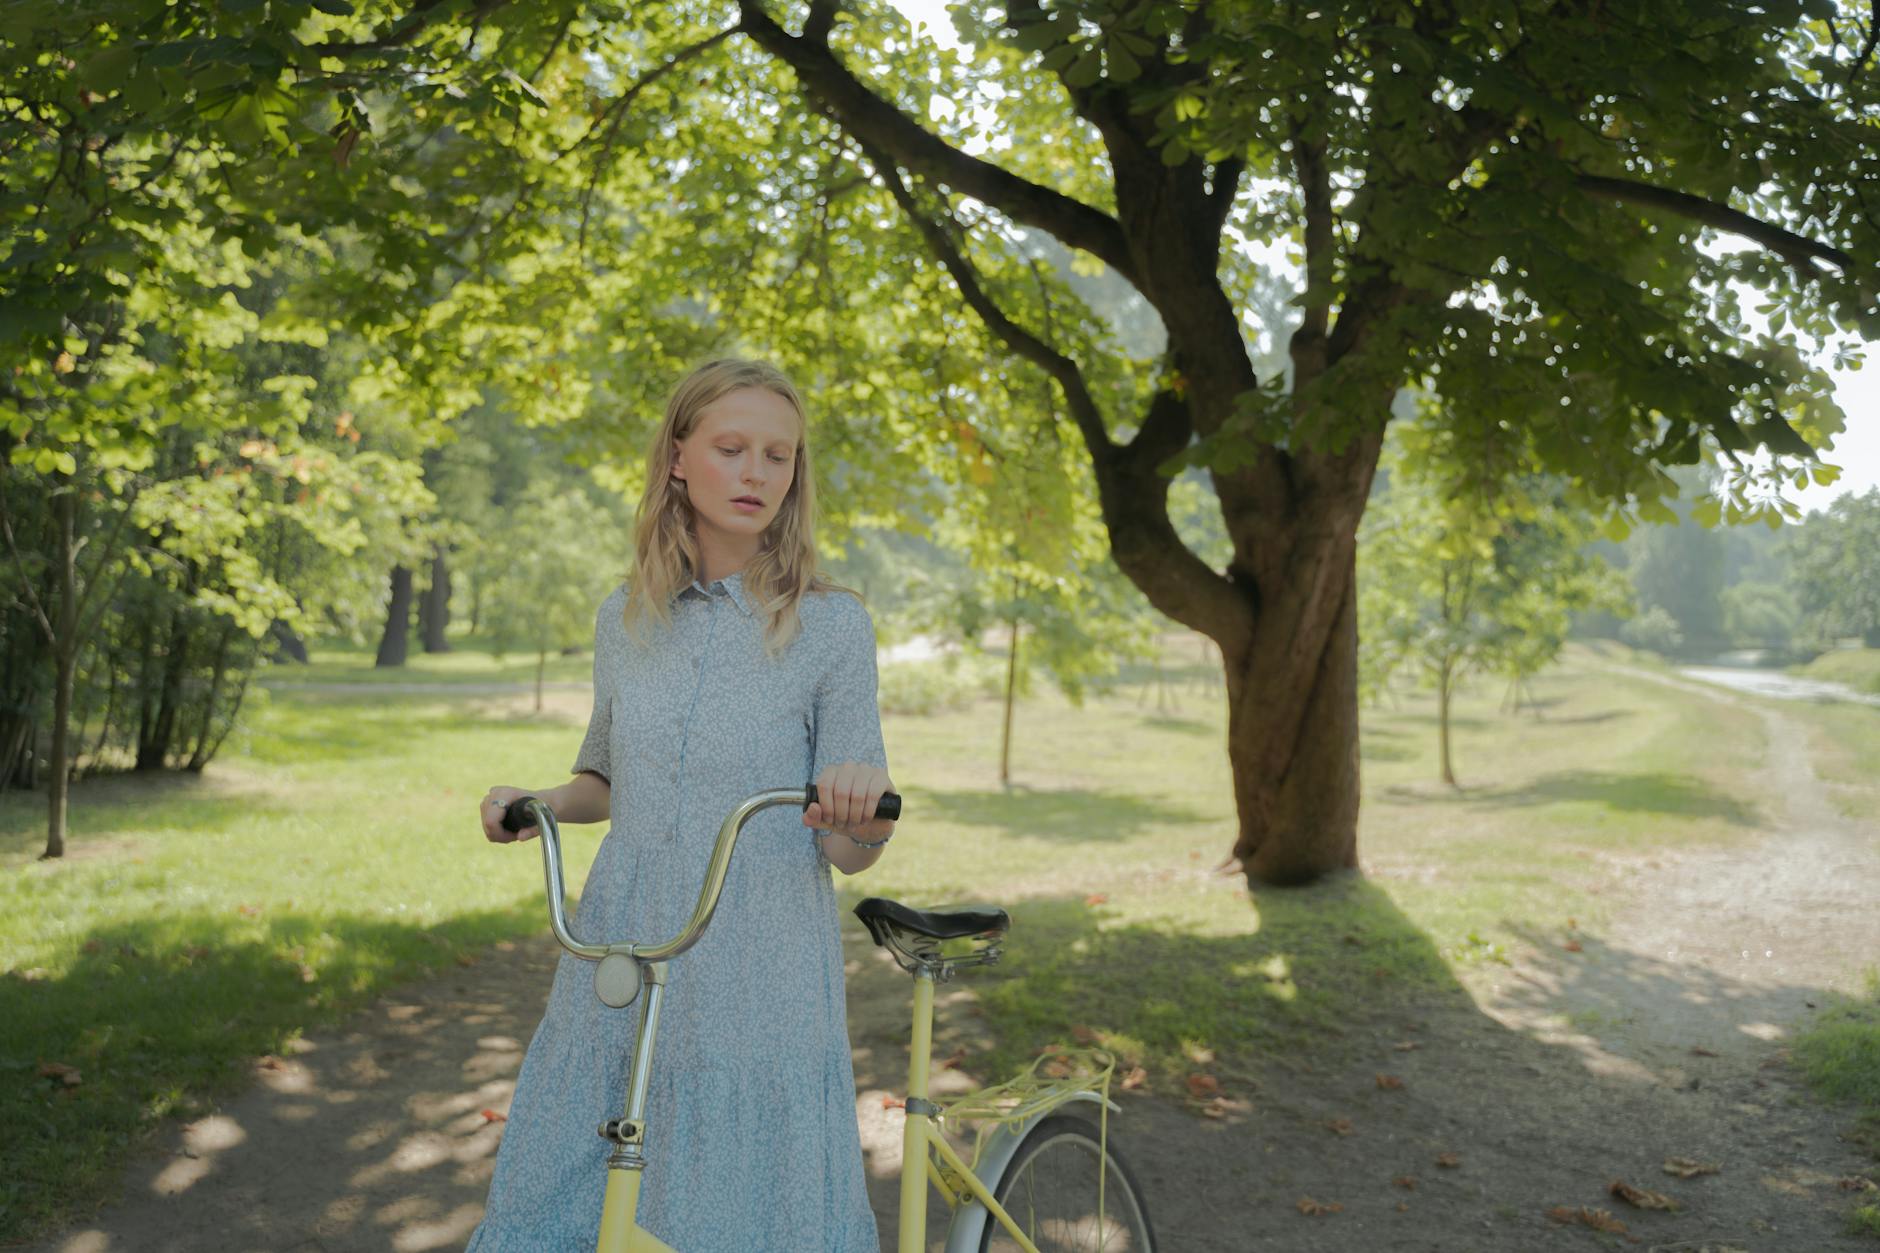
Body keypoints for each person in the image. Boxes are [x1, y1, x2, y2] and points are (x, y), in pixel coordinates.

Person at [466, 358, 895, 1252]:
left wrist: (859, 813)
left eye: (778, 456)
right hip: (628, 928)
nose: (756, 473)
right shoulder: (623, 617)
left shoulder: (831, 625)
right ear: (677, 457)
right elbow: (609, 781)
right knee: (593, 1163)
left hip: (763, 942)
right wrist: (534, 801)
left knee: (743, 1189)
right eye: (732, 448)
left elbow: (856, 846)